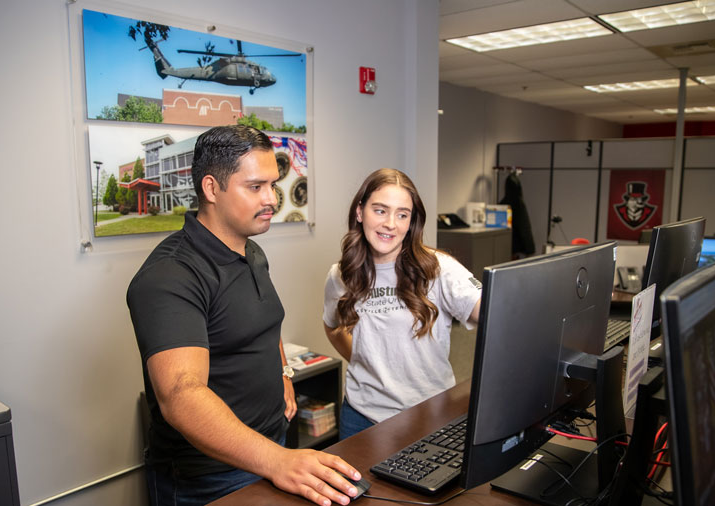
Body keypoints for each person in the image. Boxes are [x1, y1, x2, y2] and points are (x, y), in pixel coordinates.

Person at [128, 125, 362, 506]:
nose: (271, 198)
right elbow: (182, 397)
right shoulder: (170, 276)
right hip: (209, 477)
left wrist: (283, 373)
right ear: (211, 188)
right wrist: (278, 461)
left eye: (273, 184)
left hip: (269, 444)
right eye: (255, 187)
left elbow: (266, 324)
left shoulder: (251, 251)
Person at [323, 168, 482, 439]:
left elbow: (497, 317)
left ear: (411, 222)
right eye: (380, 210)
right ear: (360, 212)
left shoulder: (438, 268)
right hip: (362, 417)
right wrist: (365, 362)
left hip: (431, 414)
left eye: (402, 214)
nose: (391, 224)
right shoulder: (342, 273)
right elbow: (333, 326)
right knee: (356, 483)